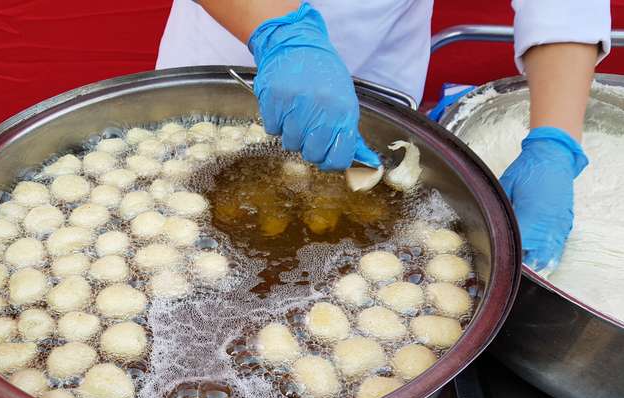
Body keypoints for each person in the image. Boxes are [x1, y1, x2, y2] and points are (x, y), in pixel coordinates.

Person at [156, 1, 611, 272]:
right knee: (179, 218)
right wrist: (282, 34)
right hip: (228, 48)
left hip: (375, 63)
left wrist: (554, 139)